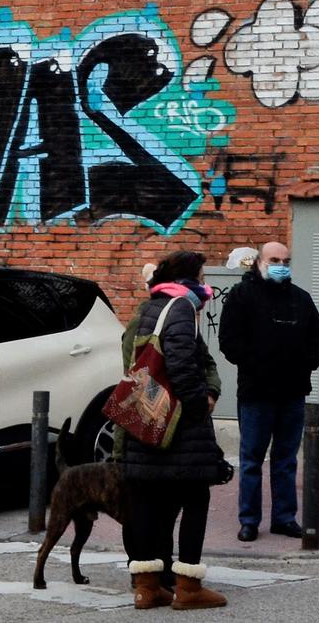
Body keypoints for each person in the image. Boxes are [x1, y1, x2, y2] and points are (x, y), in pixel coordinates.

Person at [120, 250, 227, 610]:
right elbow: (182, 363)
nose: (205, 283)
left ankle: (148, 587)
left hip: (147, 416)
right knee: (197, 498)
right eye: (201, 274)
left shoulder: (152, 305)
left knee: (151, 502)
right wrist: (199, 404)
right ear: (189, 278)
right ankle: (188, 587)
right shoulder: (181, 308)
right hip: (179, 424)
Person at [217, 240, 319, 539]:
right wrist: (256, 364)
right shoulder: (242, 296)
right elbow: (228, 340)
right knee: (252, 460)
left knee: (286, 460)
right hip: (256, 393)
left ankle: (284, 517)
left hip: (292, 392)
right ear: (260, 261)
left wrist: (307, 364)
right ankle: (249, 521)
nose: (281, 265)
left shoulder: (300, 298)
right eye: (275, 259)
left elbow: (317, 337)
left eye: (286, 260)